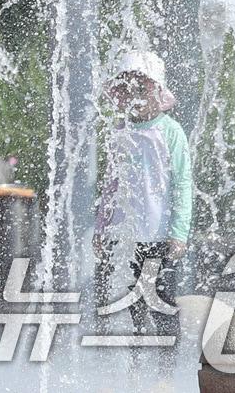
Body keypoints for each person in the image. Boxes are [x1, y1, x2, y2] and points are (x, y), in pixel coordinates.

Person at [93, 50, 193, 342]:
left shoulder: (170, 132)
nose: (132, 93)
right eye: (125, 87)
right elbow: (110, 184)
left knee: (162, 302)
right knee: (130, 304)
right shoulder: (119, 131)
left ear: (158, 91)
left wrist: (179, 232)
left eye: (141, 87)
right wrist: (101, 226)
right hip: (124, 234)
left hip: (159, 235)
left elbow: (182, 183)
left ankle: (166, 367)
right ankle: (134, 371)